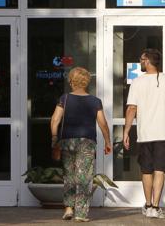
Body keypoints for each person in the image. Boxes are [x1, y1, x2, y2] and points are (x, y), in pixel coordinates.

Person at [123, 48, 165, 219]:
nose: (140, 62)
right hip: (164, 133)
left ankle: (149, 205)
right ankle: (155, 207)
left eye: (142, 59)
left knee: (146, 170)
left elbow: (131, 108)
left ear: (148, 61)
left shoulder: (138, 82)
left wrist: (126, 131)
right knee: (160, 170)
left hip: (145, 134)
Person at [50, 67, 111, 222]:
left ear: (71, 81)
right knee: (84, 177)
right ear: (86, 82)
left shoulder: (65, 99)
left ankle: (69, 208)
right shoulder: (95, 101)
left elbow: (55, 120)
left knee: (69, 176)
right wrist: (108, 141)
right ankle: (81, 214)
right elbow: (103, 123)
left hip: (67, 141)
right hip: (86, 142)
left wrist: (54, 138)